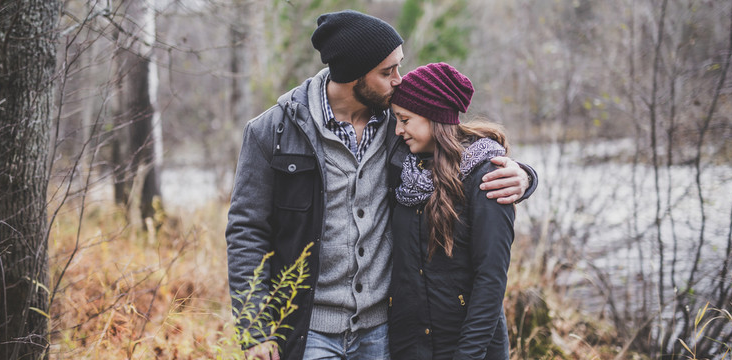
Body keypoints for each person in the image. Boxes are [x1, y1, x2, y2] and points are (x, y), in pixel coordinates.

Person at [225, 10, 536, 360]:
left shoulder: (399, 123)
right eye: (387, 72)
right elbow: (246, 231)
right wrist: (254, 329)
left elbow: (460, 150)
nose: (399, 81)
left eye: (398, 67)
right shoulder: (273, 131)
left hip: (386, 331)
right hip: (309, 329)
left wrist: (523, 175)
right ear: (352, 75)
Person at [387, 62, 515, 360]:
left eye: (405, 119)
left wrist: (468, 355)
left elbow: (491, 278)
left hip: (470, 347)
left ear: (434, 116)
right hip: (410, 346)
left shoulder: (487, 177)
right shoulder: (401, 169)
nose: (398, 129)